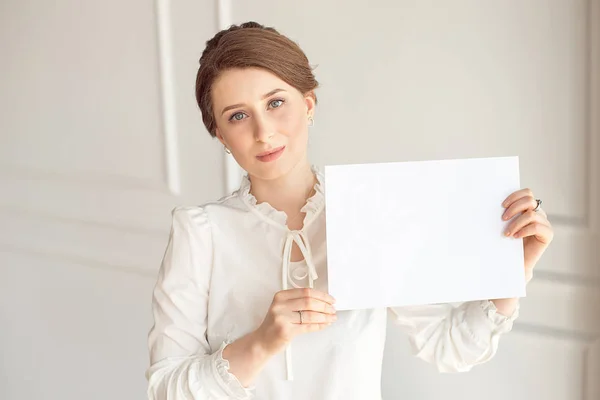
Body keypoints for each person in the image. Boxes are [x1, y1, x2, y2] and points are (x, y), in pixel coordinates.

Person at [145, 21, 554, 400]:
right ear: (220, 134)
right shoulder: (201, 232)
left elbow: (450, 347)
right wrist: (263, 340)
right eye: (238, 115)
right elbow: (166, 388)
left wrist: (514, 270)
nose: (263, 131)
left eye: (275, 103)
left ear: (309, 104)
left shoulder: (370, 210)